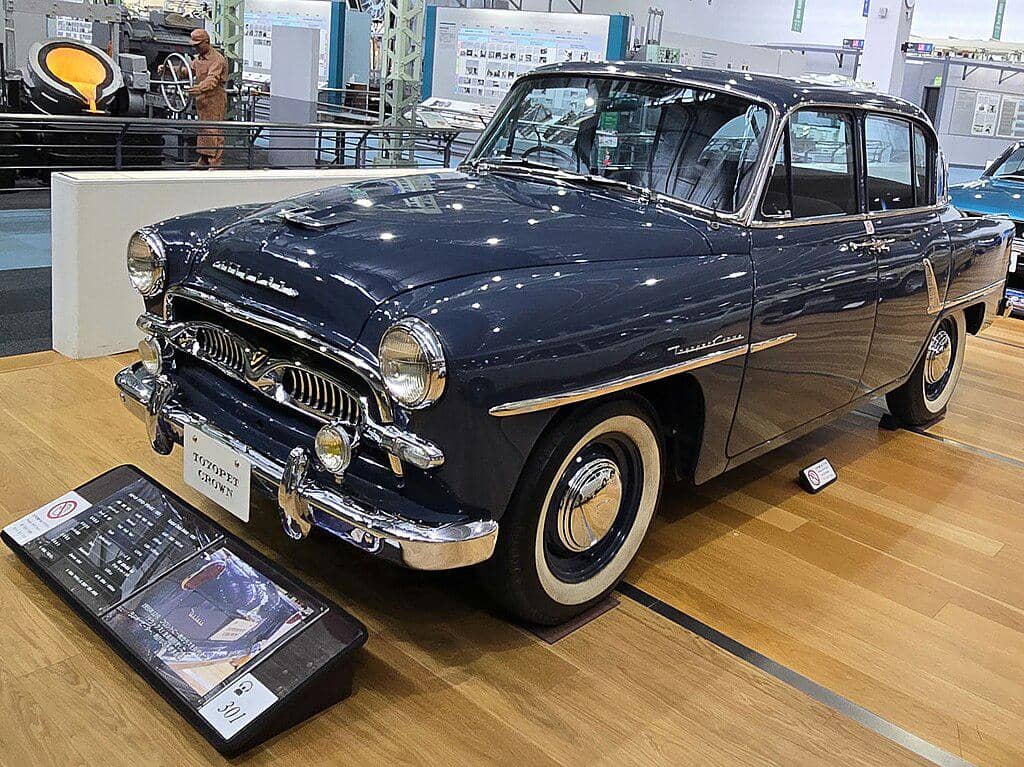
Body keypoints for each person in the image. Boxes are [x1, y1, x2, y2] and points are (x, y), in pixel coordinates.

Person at [161, 29, 228, 168]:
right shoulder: (198, 59)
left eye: (198, 44)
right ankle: (204, 160)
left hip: (215, 99)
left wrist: (200, 88)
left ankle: (215, 163)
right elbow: (187, 71)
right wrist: (168, 69)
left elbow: (212, 79)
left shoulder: (218, 59)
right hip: (202, 100)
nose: (195, 47)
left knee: (214, 130)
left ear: (207, 42)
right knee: (203, 130)